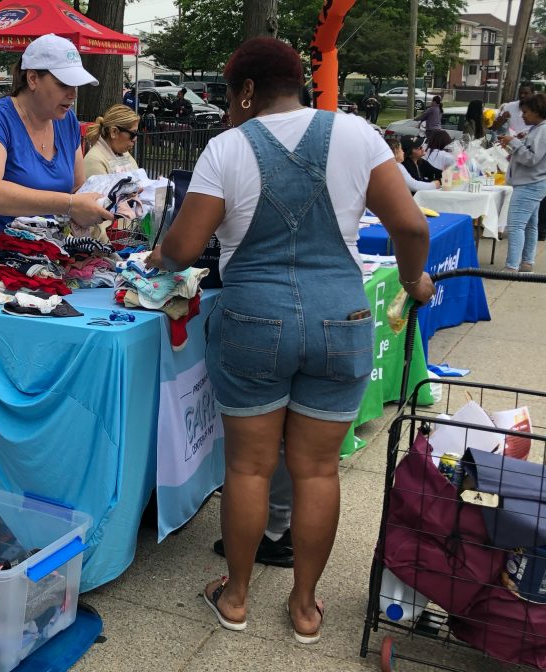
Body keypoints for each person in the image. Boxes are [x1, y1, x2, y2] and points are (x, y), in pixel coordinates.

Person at [146, 36, 432, 642]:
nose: (229, 109)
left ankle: (236, 598)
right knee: (318, 471)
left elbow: (183, 249)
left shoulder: (227, 148)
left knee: (249, 468)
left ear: (247, 91)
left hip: (254, 321)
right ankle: (304, 608)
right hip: (340, 319)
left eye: (230, 96)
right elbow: (410, 225)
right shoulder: (357, 134)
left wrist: (159, 253)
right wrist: (414, 281)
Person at [0, 33, 113, 300]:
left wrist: (107, 200)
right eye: (63, 84)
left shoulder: (67, 122)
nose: (72, 94)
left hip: (30, 264)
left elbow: (77, 187)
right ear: (32, 79)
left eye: (76, 85)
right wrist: (69, 205)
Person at [498, 92, 546, 272]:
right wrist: (517, 143)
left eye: (525, 112)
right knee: (530, 225)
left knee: (516, 225)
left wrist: (515, 143)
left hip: (529, 184)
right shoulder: (537, 129)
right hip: (533, 182)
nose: (522, 115)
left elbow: (531, 158)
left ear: (537, 111)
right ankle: (527, 262)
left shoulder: (542, 130)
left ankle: (511, 266)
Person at [83, 105, 140, 177]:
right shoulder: (95, 160)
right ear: (114, 132)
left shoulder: (124, 153)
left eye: (137, 133)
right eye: (133, 134)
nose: (135, 139)